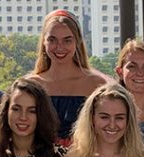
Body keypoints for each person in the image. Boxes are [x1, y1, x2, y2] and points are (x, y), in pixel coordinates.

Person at [27, 9, 107, 143]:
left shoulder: (96, 84)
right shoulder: (31, 85)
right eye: (52, 40)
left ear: (78, 42)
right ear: (43, 42)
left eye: (67, 40)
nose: (59, 47)